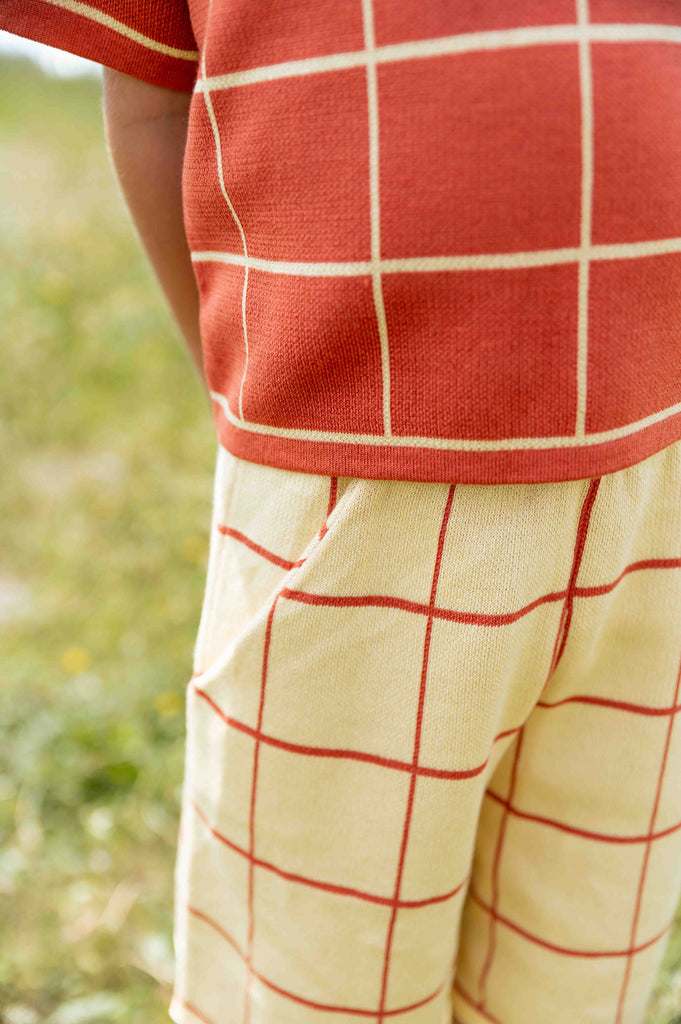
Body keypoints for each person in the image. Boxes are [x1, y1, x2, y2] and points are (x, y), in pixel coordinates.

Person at [2, 2, 681, 1021]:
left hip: (661, 477)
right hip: (352, 486)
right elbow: (151, 87)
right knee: (310, 983)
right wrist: (248, 396)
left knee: (582, 966)